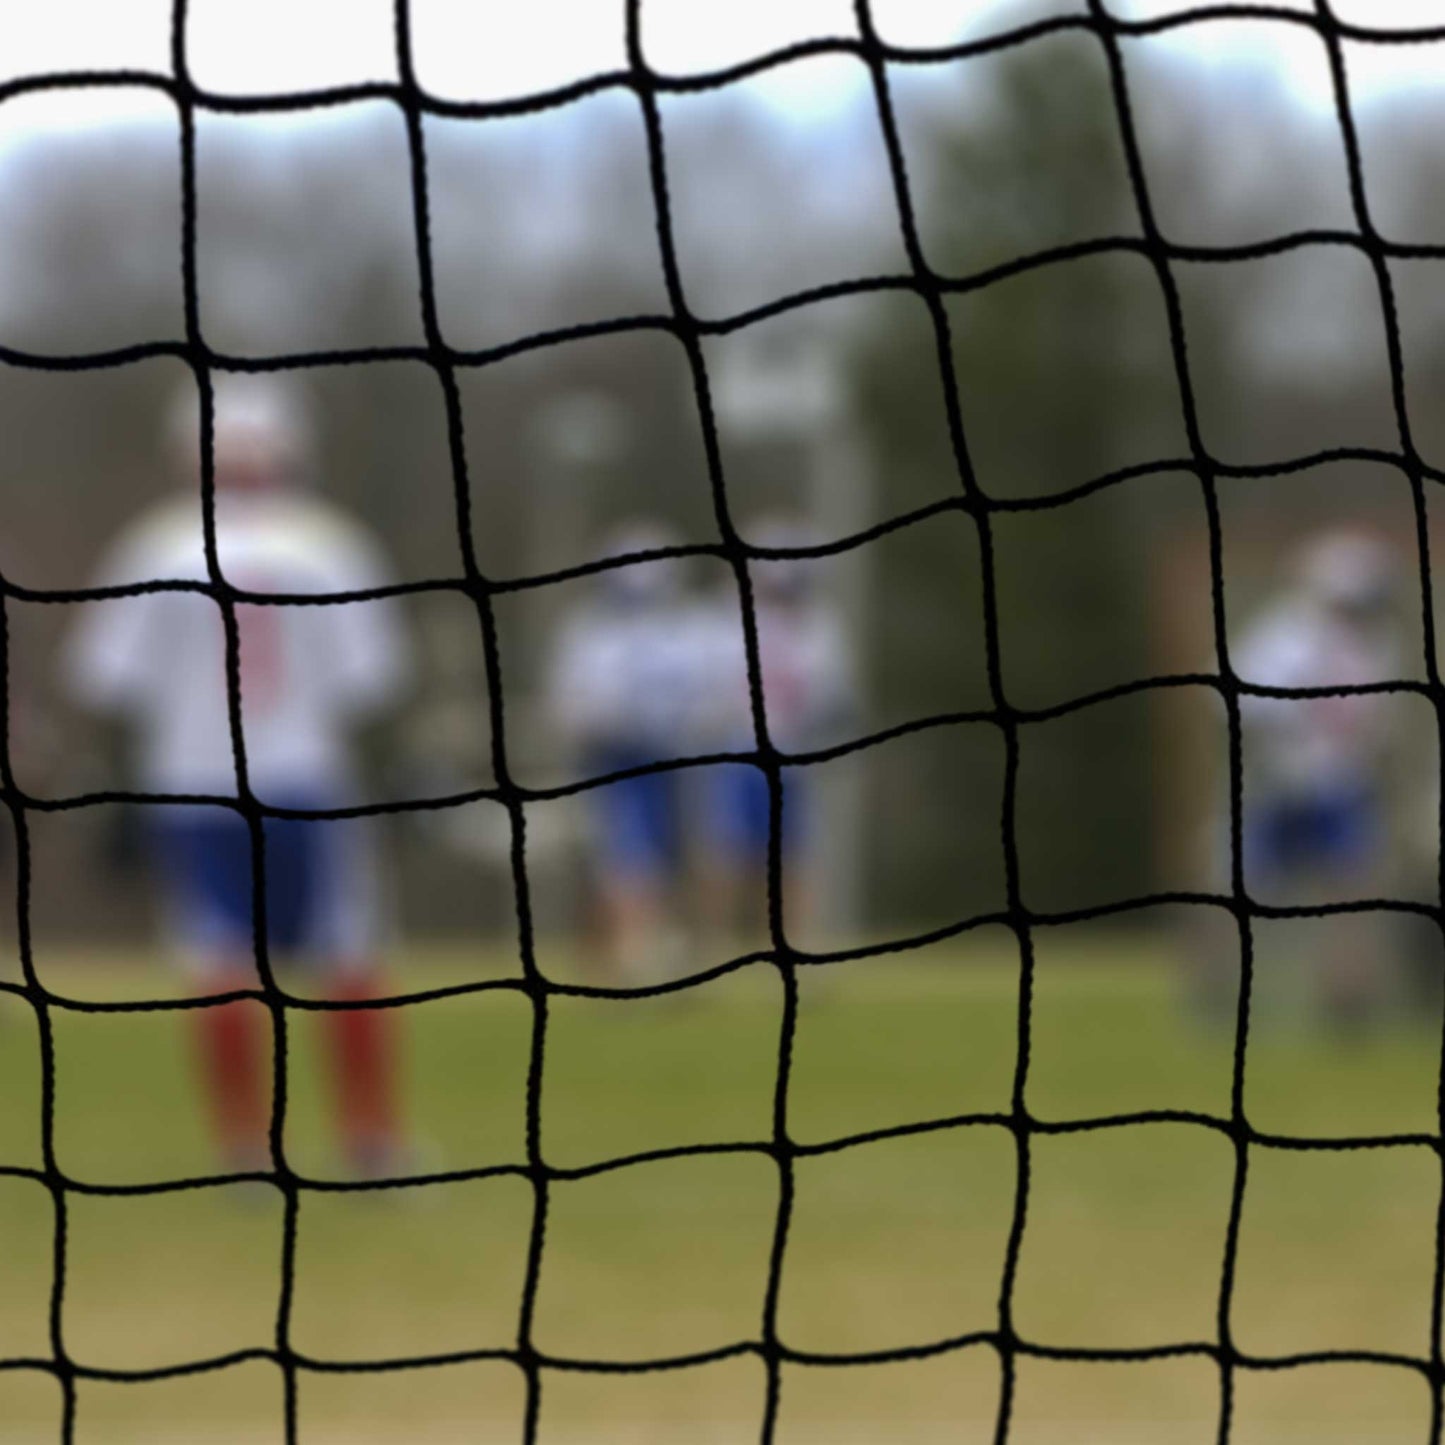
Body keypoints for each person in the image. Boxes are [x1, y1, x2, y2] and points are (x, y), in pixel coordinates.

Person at [64, 375, 411, 1177]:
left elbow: (104, 680)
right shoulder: (330, 544)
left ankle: (243, 1149)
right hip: (309, 781)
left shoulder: (156, 547)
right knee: (348, 955)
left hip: (190, 784)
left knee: (219, 959)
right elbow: (374, 682)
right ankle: (369, 1140)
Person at [1231, 527, 1406, 1028]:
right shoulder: (1287, 635)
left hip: (1342, 789)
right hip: (1282, 786)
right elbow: (1237, 699)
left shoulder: (1378, 646)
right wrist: (1284, 737)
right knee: (1243, 886)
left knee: (1350, 889)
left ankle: (1344, 1003)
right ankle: (1230, 994)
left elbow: (1371, 722)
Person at [546, 521, 705, 981]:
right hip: (612, 761)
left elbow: (705, 697)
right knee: (623, 860)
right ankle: (631, 957)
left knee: (664, 860)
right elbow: (570, 705)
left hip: (670, 760)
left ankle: (650, 950)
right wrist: (607, 721)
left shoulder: (683, 631)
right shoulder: (589, 632)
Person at [696, 516, 855, 946]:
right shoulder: (730, 621)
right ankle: (717, 945)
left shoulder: (819, 626)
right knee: (729, 853)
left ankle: (796, 943)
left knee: (795, 855)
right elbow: (710, 689)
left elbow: (831, 696)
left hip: (793, 755)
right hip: (738, 752)